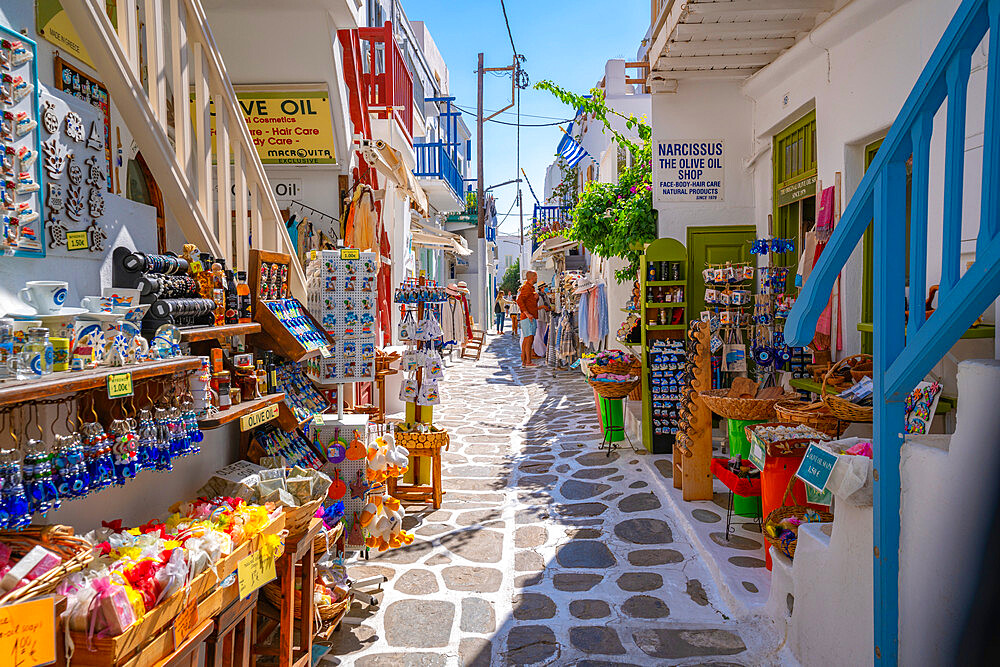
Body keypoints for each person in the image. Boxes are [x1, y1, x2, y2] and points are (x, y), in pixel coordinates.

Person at [517, 271, 539, 367]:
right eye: (536, 276)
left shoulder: (530, 288)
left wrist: (536, 298)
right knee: (529, 339)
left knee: (527, 339)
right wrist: (527, 313)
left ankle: (525, 362)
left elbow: (529, 301)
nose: (537, 278)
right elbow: (519, 300)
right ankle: (528, 362)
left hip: (528, 316)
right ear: (532, 277)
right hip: (528, 317)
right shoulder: (526, 288)